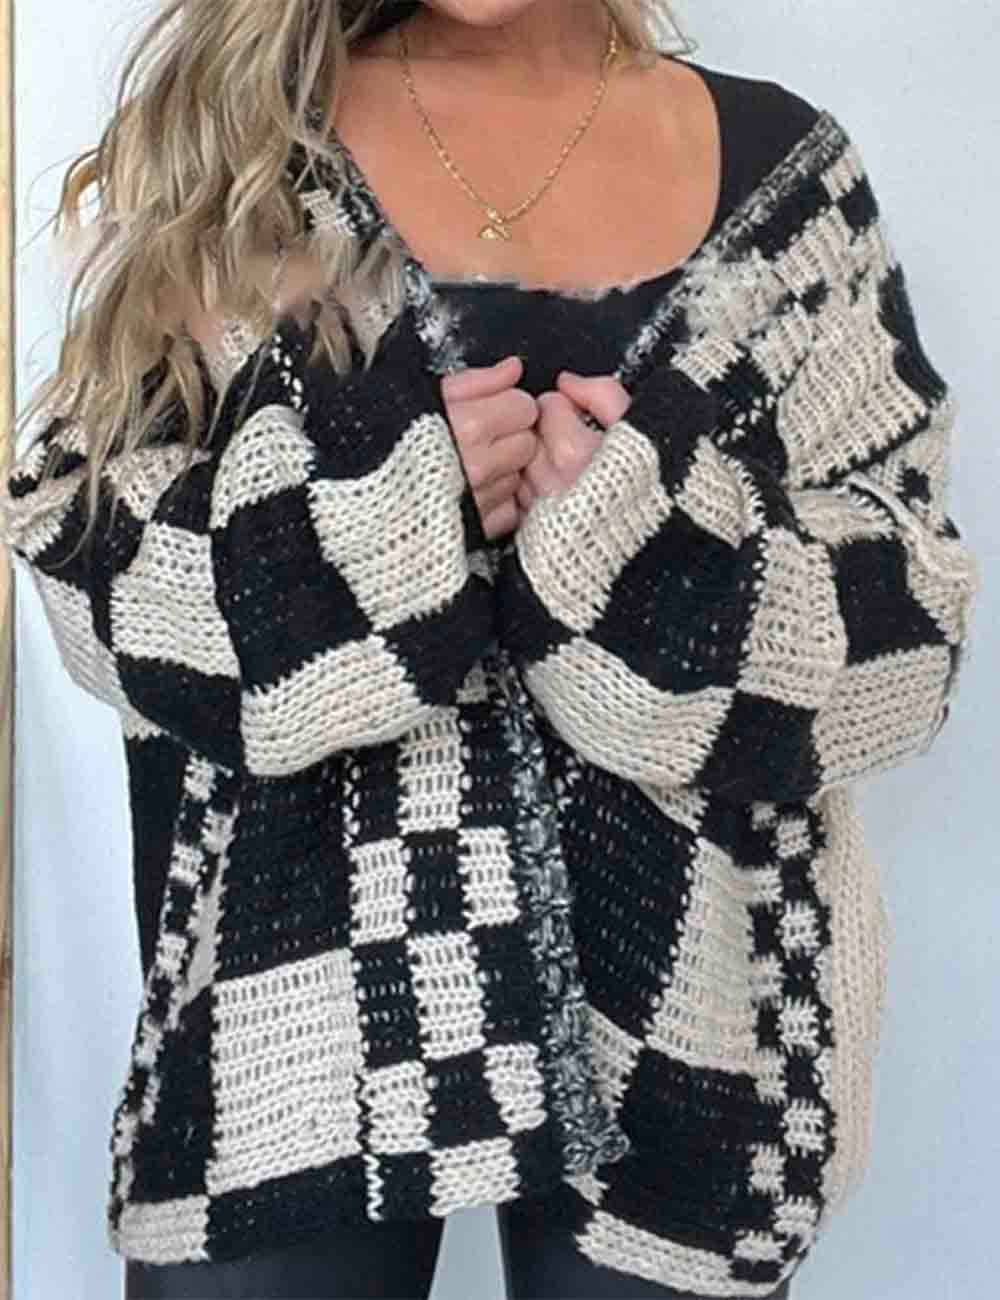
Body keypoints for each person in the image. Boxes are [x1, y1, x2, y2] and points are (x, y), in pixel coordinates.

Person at [0, 1, 980, 1298]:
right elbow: (93, 571)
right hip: (278, 1037)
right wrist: (385, 522)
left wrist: (646, 553)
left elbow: (913, 631)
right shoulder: (233, 153)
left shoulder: (789, 186)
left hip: (698, 1058)